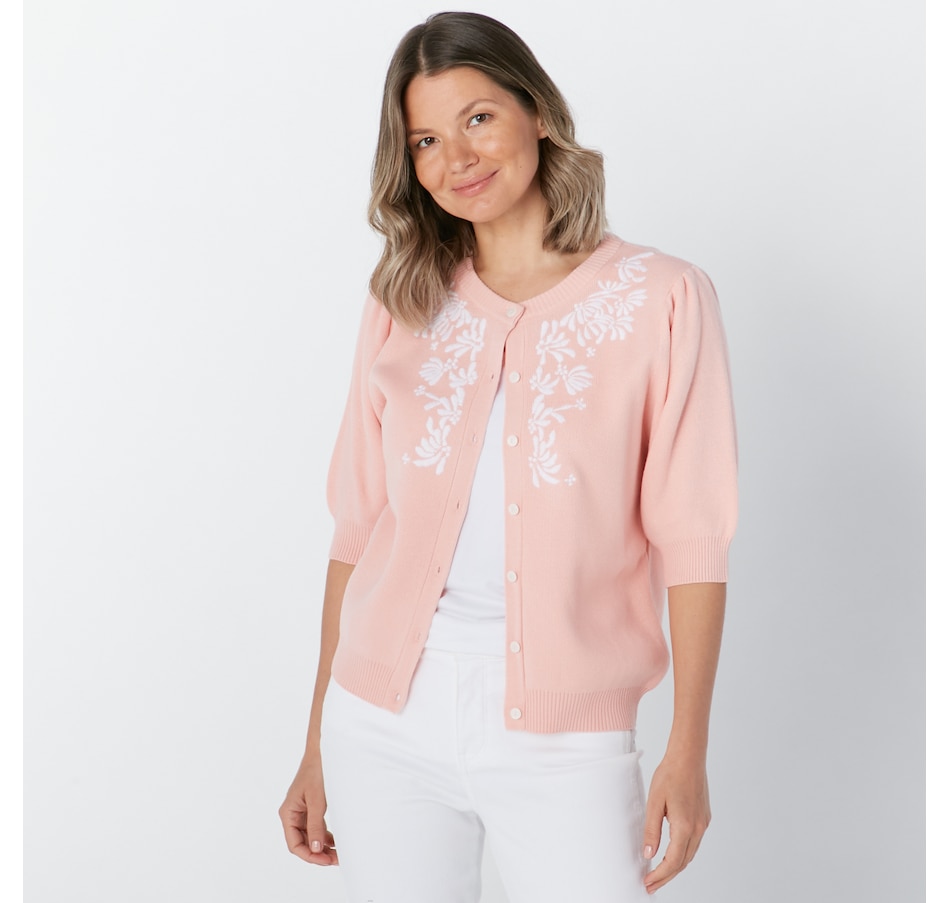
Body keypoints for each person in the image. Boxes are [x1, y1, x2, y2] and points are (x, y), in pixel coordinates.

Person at [278, 11, 738, 902]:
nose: (457, 157)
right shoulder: (403, 300)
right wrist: (315, 742)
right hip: (380, 723)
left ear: (537, 112)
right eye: (425, 140)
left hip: (567, 740)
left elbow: (693, 538)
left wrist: (688, 749)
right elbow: (357, 529)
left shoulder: (663, 298)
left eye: (479, 118)